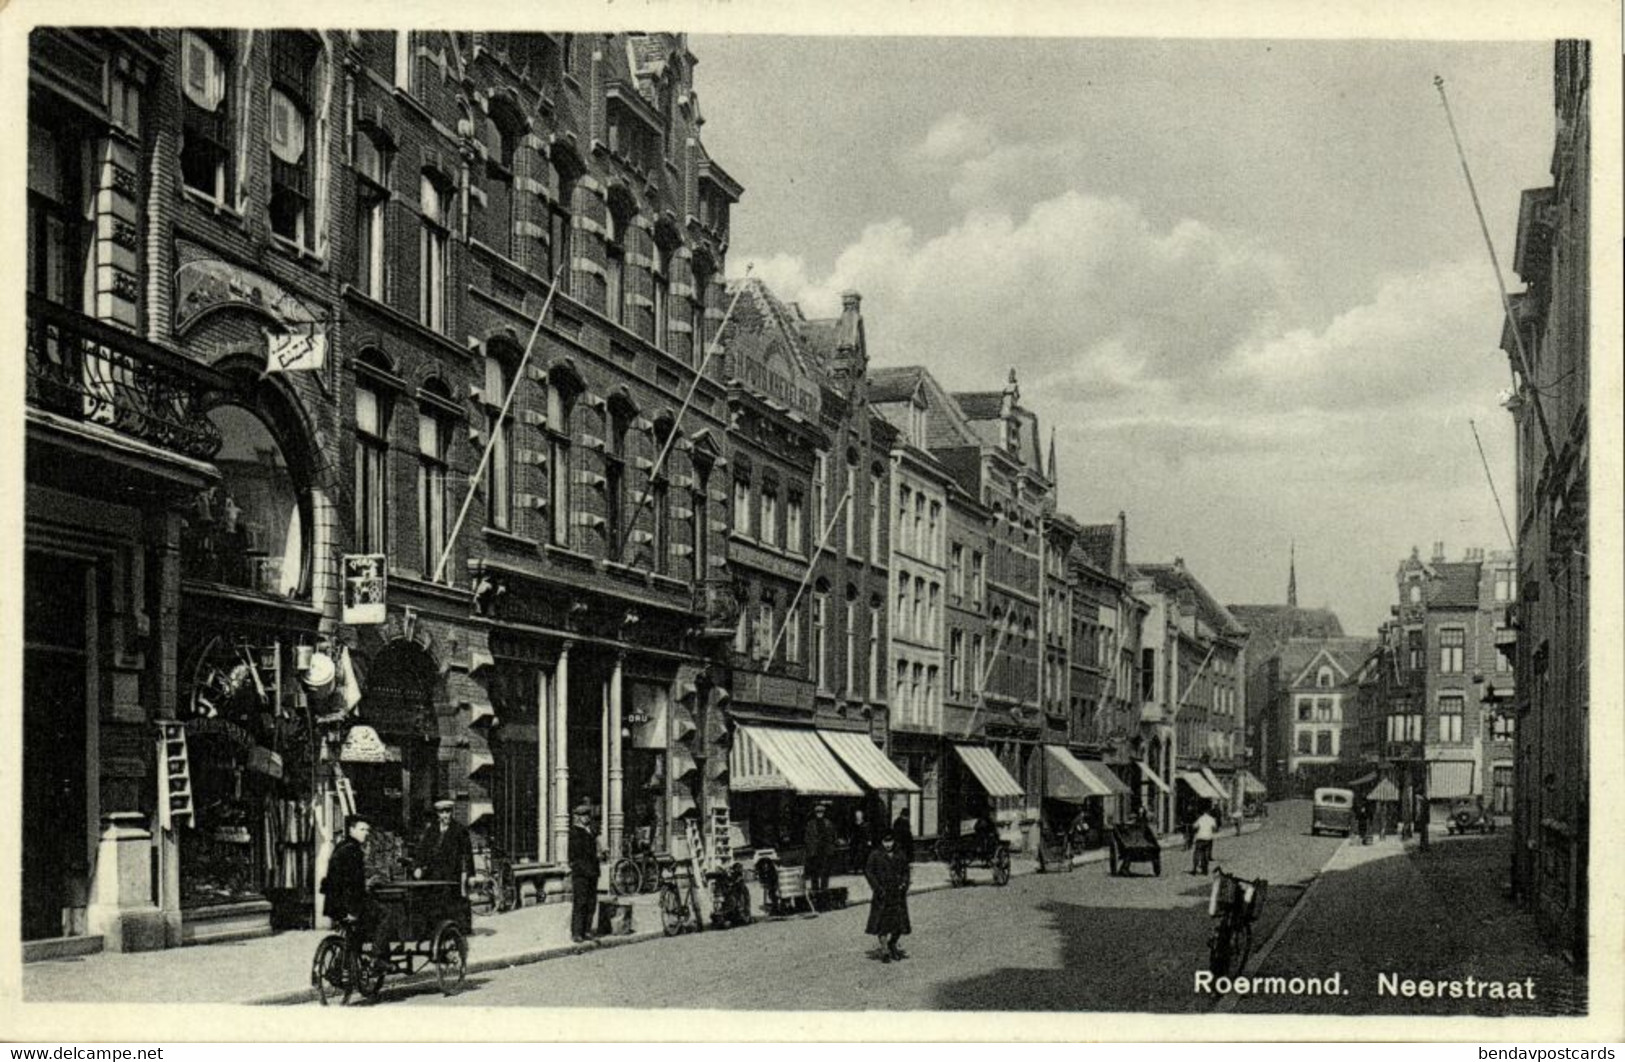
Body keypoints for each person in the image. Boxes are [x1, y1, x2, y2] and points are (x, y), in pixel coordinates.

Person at [864, 830, 912, 963]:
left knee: (899, 924)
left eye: (890, 841)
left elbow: (906, 871)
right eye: (885, 842)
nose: (888, 845)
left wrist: (904, 883)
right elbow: (869, 872)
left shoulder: (900, 854)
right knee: (882, 924)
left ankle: (892, 944)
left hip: (897, 894)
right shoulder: (875, 855)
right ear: (881, 842)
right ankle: (885, 950)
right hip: (883, 894)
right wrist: (877, 887)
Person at [414, 799, 474, 892]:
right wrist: (418, 867)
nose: (445, 815)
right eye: (442, 812)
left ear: (451, 812)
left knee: (449, 902)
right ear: (438, 813)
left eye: (448, 812)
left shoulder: (459, 830)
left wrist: (471, 875)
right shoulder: (432, 830)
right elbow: (423, 849)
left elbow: (467, 854)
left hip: (451, 874)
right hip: (433, 873)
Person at [568, 803, 601, 943]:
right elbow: (573, 855)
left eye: (588, 815)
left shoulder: (591, 832)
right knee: (580, 902)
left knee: (591, 902)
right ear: (578, 818)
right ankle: (577, 932)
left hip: (592, 872)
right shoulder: (574, 833)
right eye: (583, 816)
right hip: (581, 873)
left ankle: (587, 930)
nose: (586, 818)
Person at [804, 802, 838, 896]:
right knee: (814, 872)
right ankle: (815, 890)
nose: (820, 813)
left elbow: (833, 836)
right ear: (815, 812)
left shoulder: (828, 823)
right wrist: (810, 848)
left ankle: (824, 890)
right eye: (818, 811)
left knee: (825, 871)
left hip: (825, 851)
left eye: (821, 811)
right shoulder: (810, 824)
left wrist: (832, 847)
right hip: (814, 851)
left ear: (824, 812)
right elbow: (807, 838)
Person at [1191, 802, 1218, 875]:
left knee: (1197, 853)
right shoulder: (1212, 819)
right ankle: (1205, 870)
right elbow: (1214, 828)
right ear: (1208, 811)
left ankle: (1194, 868)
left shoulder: (1200, 818)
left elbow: (1194, 826)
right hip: (1208, 838)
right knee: (1205, 854)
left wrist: (1197, 829)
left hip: (1200, 838)